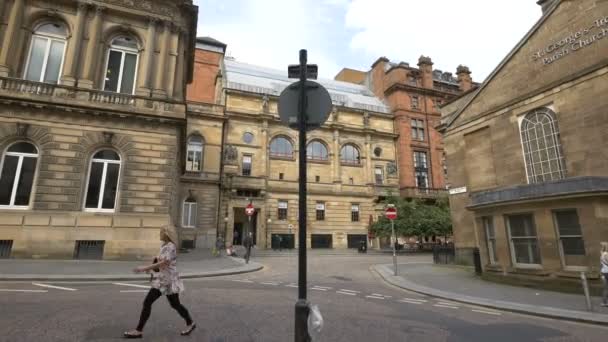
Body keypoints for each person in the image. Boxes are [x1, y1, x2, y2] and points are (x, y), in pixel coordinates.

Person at [123, 227, 196, 339]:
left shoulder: (171, 246)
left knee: (152, 302)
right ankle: (190, 323)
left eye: (161, 232)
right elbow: (158, 261)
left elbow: (164, 262)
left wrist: (144, 268)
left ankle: (138, 331)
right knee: (173, 304)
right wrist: (150, 269)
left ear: (166, 234)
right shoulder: (164, 246)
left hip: (168, 280)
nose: (159, 234)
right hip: (163, 279)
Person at [601, 242, 608, 307]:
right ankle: (604, 302)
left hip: (604, 272)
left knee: (605, 288)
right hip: (607, 273)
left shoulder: (602, 254)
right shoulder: (606, 254)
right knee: (606, 289)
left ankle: (604, 302)